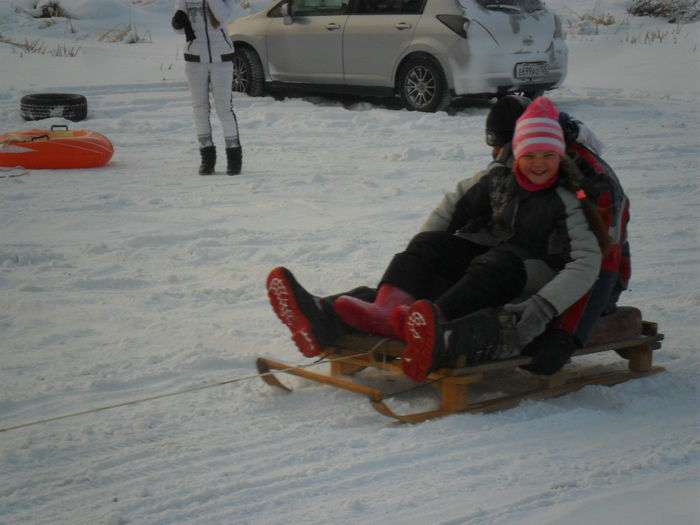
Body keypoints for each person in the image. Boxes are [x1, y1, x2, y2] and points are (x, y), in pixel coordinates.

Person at [266, 97, 611, 381]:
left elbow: (590, 262)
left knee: (496, 265)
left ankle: (433, 325)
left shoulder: (570, 198)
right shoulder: (499, 180)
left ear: (560, 156)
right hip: (498, 257)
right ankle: (385, 312)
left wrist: (548, 314)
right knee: (431, 245)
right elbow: (451, 207)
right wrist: (423, 263)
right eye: (530, 155)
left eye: (548, 156)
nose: (539, 164)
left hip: (539, 275)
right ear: (516, 153)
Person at [171, 0, 242, 175]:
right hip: (194, 58)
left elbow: (222, 17)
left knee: (224, 109)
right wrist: (177, 21)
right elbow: (180, 29)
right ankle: (207, 158)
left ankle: (234, 159)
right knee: (200, 109)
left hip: (222, 59)